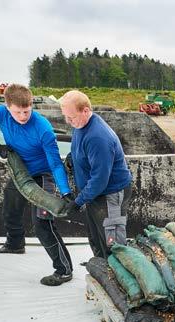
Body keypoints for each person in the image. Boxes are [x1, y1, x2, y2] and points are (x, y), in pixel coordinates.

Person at [0, 84, 74, 286]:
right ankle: (15, 244)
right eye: (17, 112)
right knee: (10, 209)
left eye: (26, 111)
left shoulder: (43, 127)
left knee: (42, 224)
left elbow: (55, 163)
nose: (22, 116)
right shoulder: (0, 113)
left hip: (44, 175)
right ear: (7, 107)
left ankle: (64, 270)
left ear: (31, 106)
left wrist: (65, 192)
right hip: (21, 173)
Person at [60, 90, 133, 258]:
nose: (68, 122)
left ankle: (118, 278)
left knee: (113, 243)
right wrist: (73, 159)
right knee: (95, 236)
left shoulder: (98, 137)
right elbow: (81, 150)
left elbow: (100, 179)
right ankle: (102, 267)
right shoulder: (80, 125)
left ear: (85, 110)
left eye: (71, 117)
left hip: (110, 194)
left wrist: (78, 201)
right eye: (66, 117)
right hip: (94, 194)